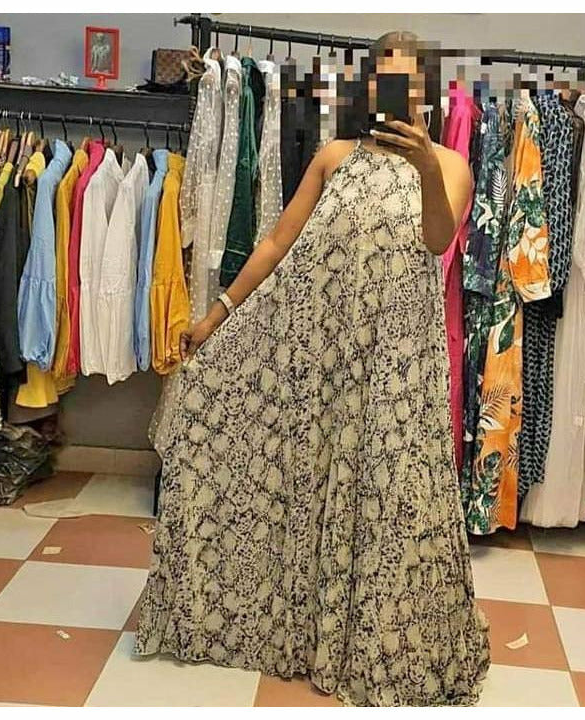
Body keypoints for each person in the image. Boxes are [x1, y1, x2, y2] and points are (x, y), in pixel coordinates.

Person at [134, 31, 490, 707]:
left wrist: (423, 165)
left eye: (409, 81)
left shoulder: (448, 165)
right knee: (310, 476)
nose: (396, 92)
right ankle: (301, 626)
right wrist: (215, 318)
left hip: (397, 367)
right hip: (322, 356)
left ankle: (374, 637)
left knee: (390, 492)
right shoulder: (334, 156)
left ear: (427, 92)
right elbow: (277, 241)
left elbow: (439, 241)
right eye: (385, 79)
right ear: (369, 88)